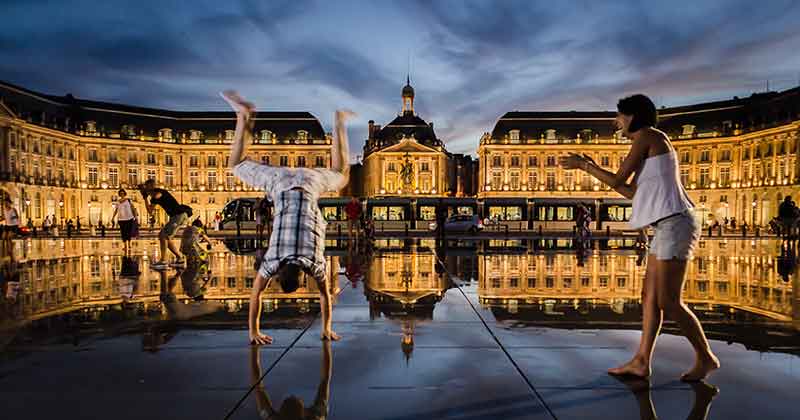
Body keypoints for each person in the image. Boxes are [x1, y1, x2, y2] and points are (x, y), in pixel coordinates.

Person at [560, 94, 719, 381]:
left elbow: (618, 180)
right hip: (665, 226)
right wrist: (594, 167)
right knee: (648, 297)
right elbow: (632, 193)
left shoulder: (648, 136)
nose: (615, 122)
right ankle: (641, 361)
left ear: (632, 116)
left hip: (676, 223)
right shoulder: (651, 147)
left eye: (619, 116)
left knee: (669, 301)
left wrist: (586, 167)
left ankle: (706, 357)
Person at [222, 90, 351, 345]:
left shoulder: (314, 263)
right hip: (279, 181)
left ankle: (339, 122)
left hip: (311, 182)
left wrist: (326, 327)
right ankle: (244, 116)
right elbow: (255, 296)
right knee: (235, 163)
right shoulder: (272, 261)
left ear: (302, 276)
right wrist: (253, 332)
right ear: (279, 275)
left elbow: (326, 296)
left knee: (341, 173)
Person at [250, 341, 331, 420]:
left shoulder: (271, 417)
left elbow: (258, 386)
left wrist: (254, 350)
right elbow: (325, 379)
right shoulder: (317, 417)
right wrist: (326, 344)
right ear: (305, 414)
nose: (292, 395)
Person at [139, 178, 193, 269]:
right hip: (175, 216)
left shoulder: (158, 193)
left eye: (147, 187)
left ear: (151, 186)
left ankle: (163, 261)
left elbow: (156, 196)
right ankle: (180, 258)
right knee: (165, 237)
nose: (146, 190)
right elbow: (150, 211)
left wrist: (146, 193)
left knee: (163, 235)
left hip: (179, 215)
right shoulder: (153, 197)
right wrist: (145, 199)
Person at [179, 218, 213, 299]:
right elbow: (206, 238)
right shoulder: (199, 229)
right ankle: (196, 264)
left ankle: (191, 261)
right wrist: (210, 277)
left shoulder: (187, 228)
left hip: (183, 248)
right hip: (192, 248)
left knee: (191, 258)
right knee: (204, 258)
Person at [111, 188, 139, 254]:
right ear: (119, 194)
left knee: (128, 232)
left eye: (123, 193)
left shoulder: (128, 200)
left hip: (129, 218)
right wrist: (113, 217)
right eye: (120, 193)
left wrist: (135, 216)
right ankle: (124, 245)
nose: (122, 194)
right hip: (121, 219)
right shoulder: (118, 202)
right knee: (123, 232)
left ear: (125, 193)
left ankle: (129, 244)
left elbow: (133, 208)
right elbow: (116, 210)